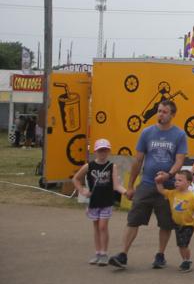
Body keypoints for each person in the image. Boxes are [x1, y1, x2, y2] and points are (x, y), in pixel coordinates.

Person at [109, 100, 188, 270]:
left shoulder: (179, 135)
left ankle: (160, 255)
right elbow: (138, 160)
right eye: (159, 111)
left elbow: (179, 160)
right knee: (133, 219)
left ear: (172, 115)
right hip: (146, 184)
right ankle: (123, 254)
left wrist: (169, 175)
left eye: (165, 112)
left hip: (167, 187)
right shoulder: (147, 133)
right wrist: (130, 185)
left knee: (166, 223)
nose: (161, 114)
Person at [73, 138, 126, 266]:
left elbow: (116, 185)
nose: (103, 153)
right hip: (94, 201)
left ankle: (104, 253)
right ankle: (97, 252)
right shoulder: (89, 166)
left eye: (105, 150)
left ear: (108, 152)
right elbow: (76, 179)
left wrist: (125, 192)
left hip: (106, 201)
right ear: (95, 151)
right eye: (100, 150)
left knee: (103, 226)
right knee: (96, 227)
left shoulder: (111, 166)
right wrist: (82, 190)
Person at [155, 169, 194, 272]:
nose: (176, 182)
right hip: (177, 224)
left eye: (180, 180)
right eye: (176, 180)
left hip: (188, 225)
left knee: (183, 244)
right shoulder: (173, 193)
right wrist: (158, 182)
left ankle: (187, 261)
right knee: (181, 245)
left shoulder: (192, 196)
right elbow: (162, 191)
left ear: (189, 183)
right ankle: (185, 260)